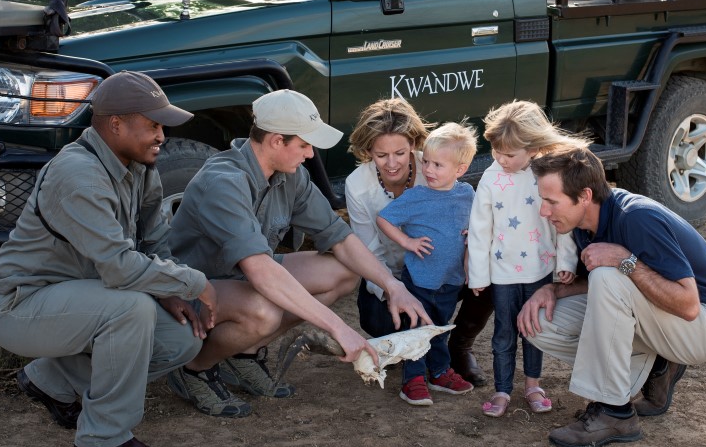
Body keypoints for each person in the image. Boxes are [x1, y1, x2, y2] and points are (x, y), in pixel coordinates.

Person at [0, 71, 217, 447]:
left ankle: (51, 381)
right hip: (19, 305)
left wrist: (171, 292)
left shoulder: (140, 165)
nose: (162, 135)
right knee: (130, 309)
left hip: (77, 297)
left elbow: (155, 239)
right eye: (153, 124)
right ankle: (103, 436)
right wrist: (197, 282)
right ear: (115, 124)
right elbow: (120, 269)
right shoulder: (78, 175)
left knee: (181, 339)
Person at [166, 89, 430, 417]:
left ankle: (242, 354)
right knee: (264, 309)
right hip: (192, 287)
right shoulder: (224, 181)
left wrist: (393, 286)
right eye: (304, 145)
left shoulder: (290, 174)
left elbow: (339, 238)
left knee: (342, 273)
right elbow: (260, 271)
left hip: (239, 277)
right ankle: (193, 368)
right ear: (277, 141)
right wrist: (338, 327)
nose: (309, 154)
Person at [518, 143, 706, 447]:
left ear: (585, 196)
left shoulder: (637, 218)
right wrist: (553, 289)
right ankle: (657, 363)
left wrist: (624, 260)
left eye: (552, 201)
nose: (544, 211)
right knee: (540, 321)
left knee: (608, 274)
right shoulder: (581, 223)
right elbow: (606, 291)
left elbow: (688, 304)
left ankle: (615, 413)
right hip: (662, 317)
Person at [467, 101, 579, 418]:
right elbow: (479, 231)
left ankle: (533, 385)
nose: (501, 159)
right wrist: (478, 275)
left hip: (539, 271)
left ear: (532, 149)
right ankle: (503, 389)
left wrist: (565, 264)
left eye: (510, 154)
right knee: (504, 333)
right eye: (496, 151)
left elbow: (562, 223)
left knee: (534, 330)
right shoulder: (490, 180)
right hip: (502, 274)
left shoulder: (547, 175)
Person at [376, 121, 478, 407]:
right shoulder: (416, 196)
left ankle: (440, 372)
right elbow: (383, 218)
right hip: (419, 279)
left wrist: (475, 234)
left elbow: (476, 222)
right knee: (416, 329)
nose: (429, 170)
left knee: (439, 327)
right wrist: (407, 242)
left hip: (450, 280)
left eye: (438, 165)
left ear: (460, 169)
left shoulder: (467, 194)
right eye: (427, 163)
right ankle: (413, 379)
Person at [344, 98, 431, 338]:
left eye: (400, 153)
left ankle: (461, 346)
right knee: (380, 324)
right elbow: (369, 250)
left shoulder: (433, 167)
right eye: (381, 155)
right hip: (388, 273)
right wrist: (394, 289)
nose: (392, 164)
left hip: (435, 267)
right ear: (368, 150)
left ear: (413, 143)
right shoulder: (357, 185)